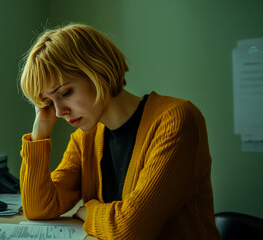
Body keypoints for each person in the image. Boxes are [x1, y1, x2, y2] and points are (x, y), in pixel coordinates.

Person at [19, 23, 221, 240]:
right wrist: (40, 133)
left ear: (98, 71)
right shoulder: (85, 137)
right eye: (49, 102)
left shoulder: (175, 120)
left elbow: (131, 229)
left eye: (66, 93)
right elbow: (38, 208)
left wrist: (89, 211)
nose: (59, 112)